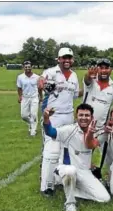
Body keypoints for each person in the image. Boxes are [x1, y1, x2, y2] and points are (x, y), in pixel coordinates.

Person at [42, 103, 111, 211]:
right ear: (76, 116)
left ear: (92, 117)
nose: (84, 118)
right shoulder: (69, 130)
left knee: (104, 198)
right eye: (81, 115)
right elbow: (50, 132)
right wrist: (46, 118)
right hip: (66, 168)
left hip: (85, 172)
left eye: (87, 115)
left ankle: (70, 187)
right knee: (71, 171)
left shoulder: (95, 131)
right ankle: (70, 203)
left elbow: (93, 143)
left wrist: (107, 129)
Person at [38, 47, 81, 196]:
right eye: (64, 58)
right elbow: (40, 81)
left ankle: (57, 179)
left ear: (72, 60)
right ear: (59, 59)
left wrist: (91, 84)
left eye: (69, 58)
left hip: (68, 117)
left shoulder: (74, 76)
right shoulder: (50, 72)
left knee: (64, 150)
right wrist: (42, 83)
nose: (67, 60)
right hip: (53, 116)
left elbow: (75, 95)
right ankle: (46, 186)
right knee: (51, 151)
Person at [83, 58, 113, 133]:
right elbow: (86, 80)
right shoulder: (91, 80)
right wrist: (88, 74)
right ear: (97, 69)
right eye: (101, 68)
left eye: (106, 68)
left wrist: (110, 119)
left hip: (100, 129)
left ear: (110, 70)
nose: (104, 71)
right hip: (83, 125)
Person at [16, 60, 40, 136]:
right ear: (23, 67)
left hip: (34, 97)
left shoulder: (37, 77)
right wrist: (19, 96)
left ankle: (33, 131)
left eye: (29, 67)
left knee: (34, 114)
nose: (27, 68)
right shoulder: (20, 77)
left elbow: (40, 88)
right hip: (25, 97)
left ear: (31, 67)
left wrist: (41, 97)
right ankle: (31, 123)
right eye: (26, 67)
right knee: (24, 116)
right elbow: (19, 88)